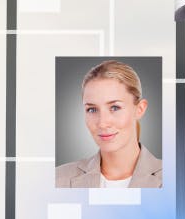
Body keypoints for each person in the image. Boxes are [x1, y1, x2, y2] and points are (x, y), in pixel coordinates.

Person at [55, 60, 162, 188]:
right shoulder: (58, 179)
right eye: (92, 109)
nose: (102, 123)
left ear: (139, 109)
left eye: (115, 108)